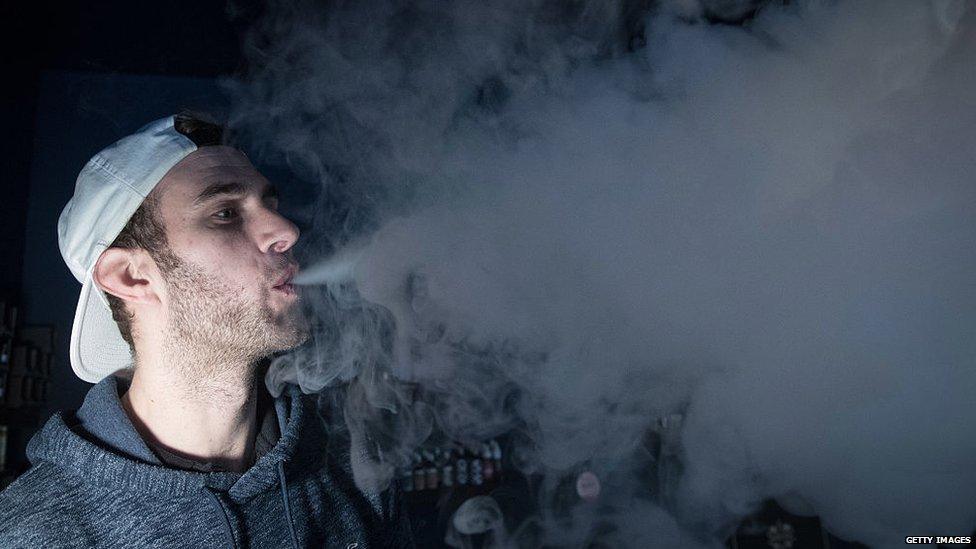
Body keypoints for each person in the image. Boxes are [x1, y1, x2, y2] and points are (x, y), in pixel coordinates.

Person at [0, 114, 413, 548]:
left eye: (269, 204)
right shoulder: (33, 532)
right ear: (131, 276)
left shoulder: (355, 470)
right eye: (225, 213)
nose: (287, 230)